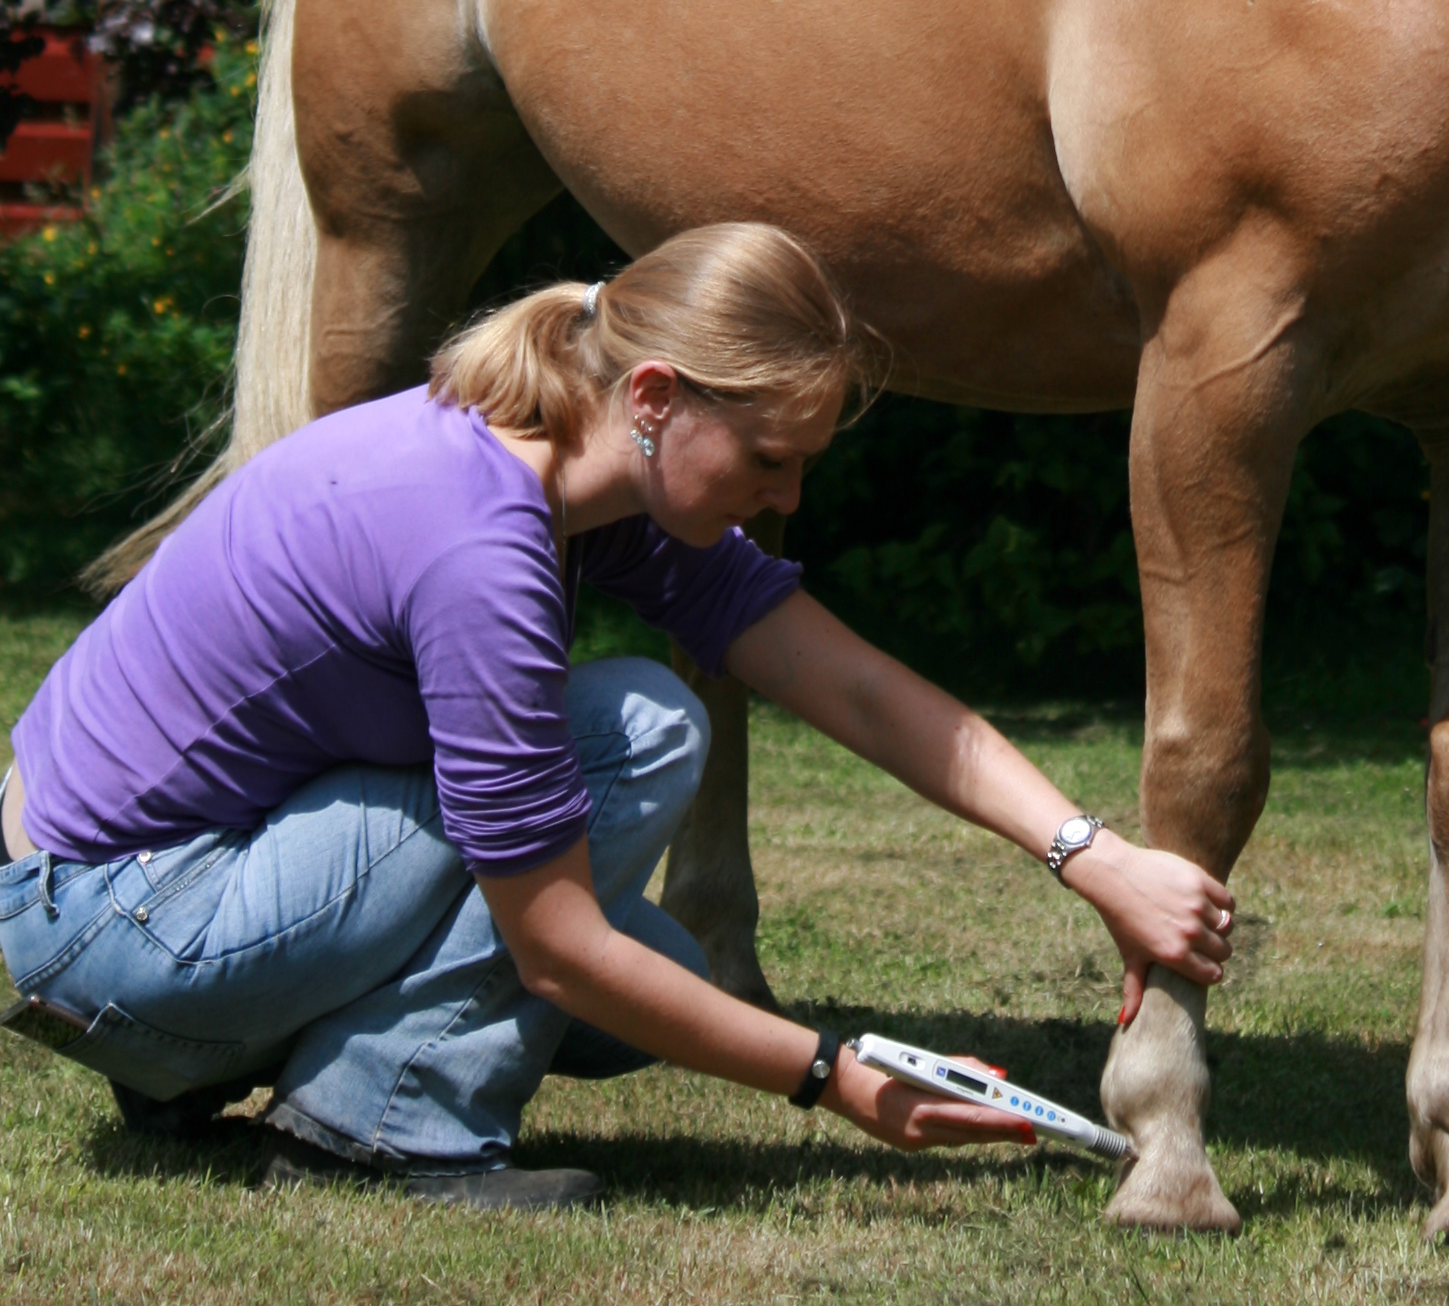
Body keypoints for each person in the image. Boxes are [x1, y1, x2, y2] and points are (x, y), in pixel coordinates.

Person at [0, 223, 1231, 1209]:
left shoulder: (568, 464)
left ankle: (205, 1067)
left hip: (124, 907)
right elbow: (552, 946)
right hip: (111, 928)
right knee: (639, 733)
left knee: (666, 977)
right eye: (767, 459)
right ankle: (382, 1126)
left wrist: (1093, 855)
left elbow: (844, 680)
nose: (782, 497)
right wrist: (830, 1076)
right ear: (654, 395)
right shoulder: (475, 541)